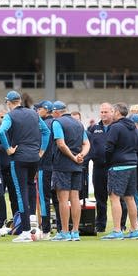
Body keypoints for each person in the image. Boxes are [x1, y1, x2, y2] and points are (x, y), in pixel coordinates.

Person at [0, 91, 50, 243]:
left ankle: (26, 231)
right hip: (34, 158)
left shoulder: (10, 115)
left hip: (19, 158)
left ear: (8, 103)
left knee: (21, 193)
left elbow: (1, 131)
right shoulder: (34, 114)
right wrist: (41, 151)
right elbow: (46, 131)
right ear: (20, 101)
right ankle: (33, 222)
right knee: (31, 186)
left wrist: (8, 149)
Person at [100, 103, 138, 240]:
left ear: (117, 112)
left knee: (114, 197)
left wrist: (107, 161)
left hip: (118, 166)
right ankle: (134, 229)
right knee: (130, 197)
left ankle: (117, 230)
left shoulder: (115, 127)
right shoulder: (133, 127)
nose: (111, 114)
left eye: (112, 111)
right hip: (132, 164)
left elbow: (108, 147)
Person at [50, 101, 90, 241]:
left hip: (62, 165)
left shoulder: (57, 122)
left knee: (63, 200)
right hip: (77, 166)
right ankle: (75, 231)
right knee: (75, 199)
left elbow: (60, 143)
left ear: (56, 112)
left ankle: (65, 232)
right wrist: (81, 155)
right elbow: (86, 143)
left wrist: (73, 157)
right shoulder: (78, 123)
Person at [86, 102, 114, 233]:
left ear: (112, 112)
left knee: (118, 197)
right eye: (102, 112)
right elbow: (88, 146)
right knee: (100, 197)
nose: (103, 114)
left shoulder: (117, 127)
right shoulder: (93, 128)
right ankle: (100, 224)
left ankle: (121, 224)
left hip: (114, 167)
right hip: (98, 168)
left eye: (106, 112)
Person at [34, 100, 59, 239]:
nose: (37, 112)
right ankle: (61, 228)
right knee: (58, 198)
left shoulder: (42, 125)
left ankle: (46, 230)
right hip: (57, 167)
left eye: (39, 109)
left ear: (45, 109)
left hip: (45, 166)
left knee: (44, 199)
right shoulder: (56, 123)